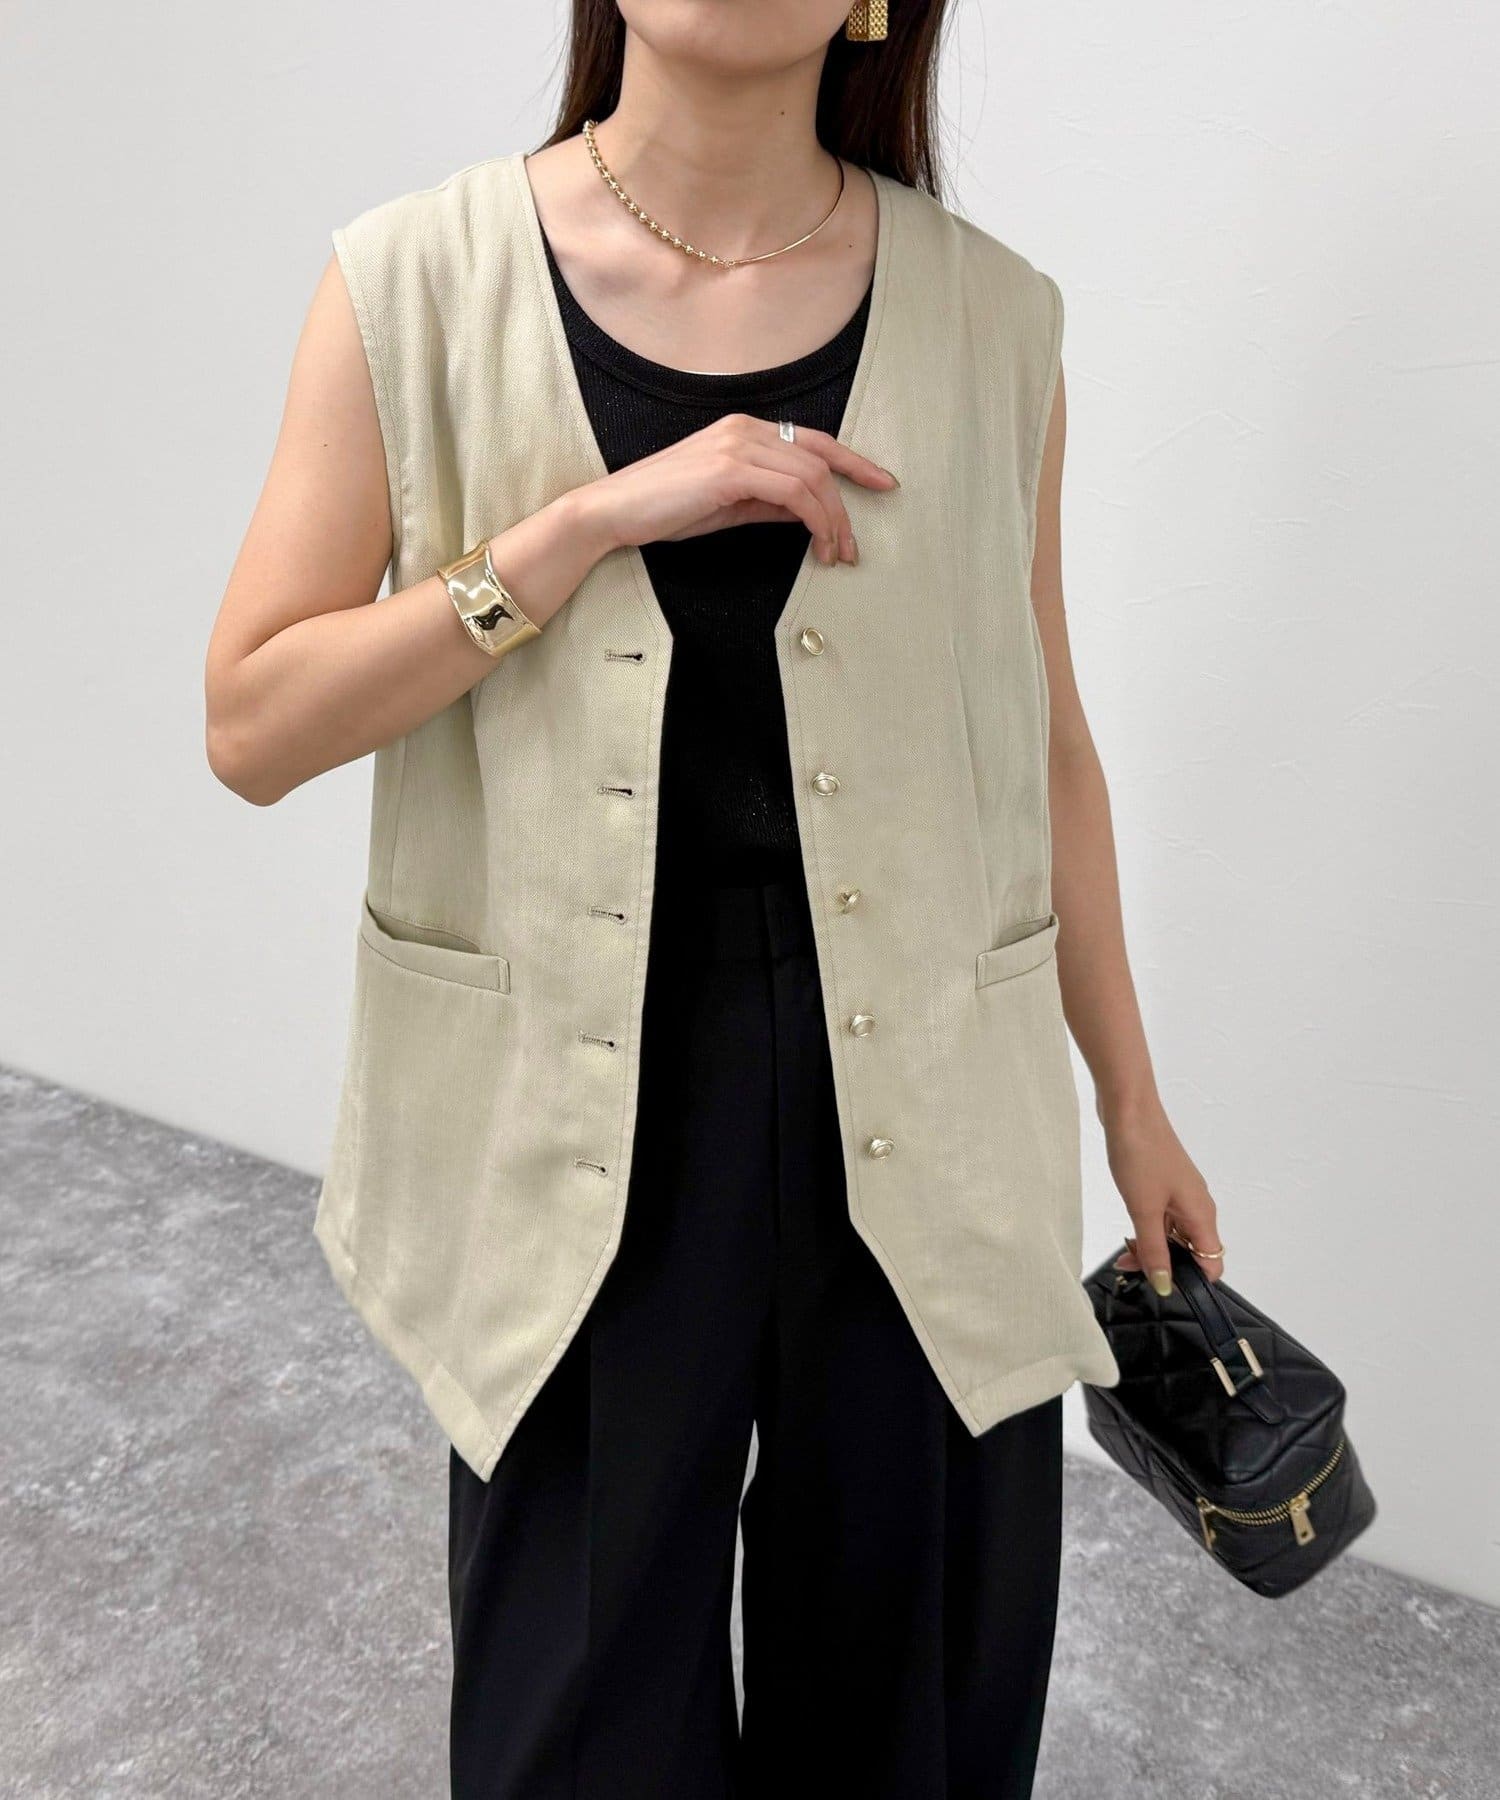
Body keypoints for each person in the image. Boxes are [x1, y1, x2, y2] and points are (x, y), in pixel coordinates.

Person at [204, 3, 1226, 1794]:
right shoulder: (414, 280)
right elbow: (253, 723)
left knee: (911, 1720)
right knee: (577, 1722)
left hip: (926, 1100)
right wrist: (574, 530)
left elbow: (1047, 741)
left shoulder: (995, 319)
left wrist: (1131, 1100)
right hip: (573, 1107)